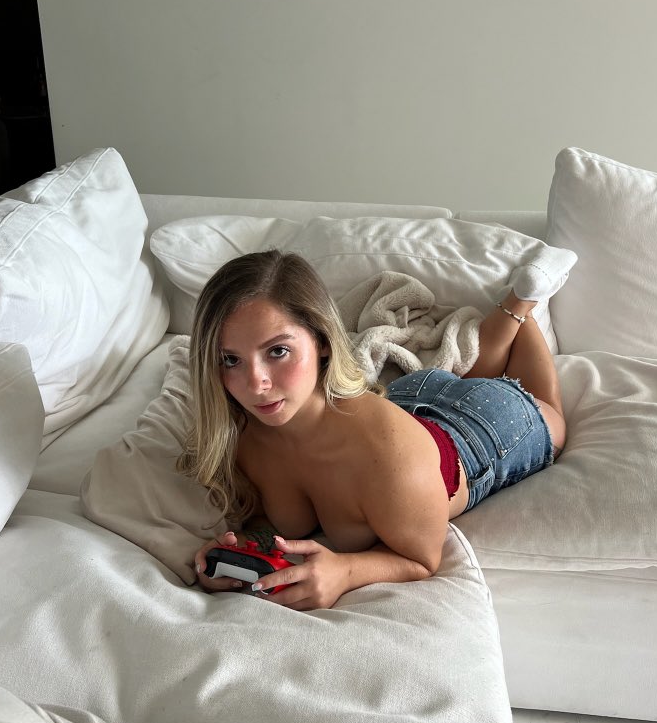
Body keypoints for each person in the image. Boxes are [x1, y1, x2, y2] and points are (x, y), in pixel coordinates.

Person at [183, 246, 575, 610]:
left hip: (479, 429)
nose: (256, 384)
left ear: (322, 340)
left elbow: (422, 560)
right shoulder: (245, 432)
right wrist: (241, 550)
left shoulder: (390, 458)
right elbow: (266, 524)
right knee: (468, 370)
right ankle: (514, 306)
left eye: (277, 351)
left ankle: (523, 301)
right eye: (231, 359)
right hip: (405, 396)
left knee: (548, 415)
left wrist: (345, 572)